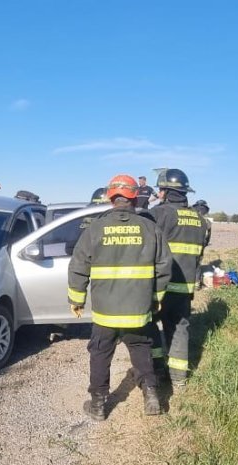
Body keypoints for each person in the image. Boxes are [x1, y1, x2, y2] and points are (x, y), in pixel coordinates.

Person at [68, 174, 172, 420]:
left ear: (111, 196)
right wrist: (156, 297)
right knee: (140, 349)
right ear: (135, 197)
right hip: (138, 310)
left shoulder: (95, 228)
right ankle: (151, 396)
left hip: (105, 312)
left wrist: (77, 299)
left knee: (101, 353)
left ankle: (98, 404)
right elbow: (164, 266)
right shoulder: (150, 228)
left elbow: (78, 265)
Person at [148, 168, 209, 386]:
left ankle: (156, 370)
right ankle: (178, 378)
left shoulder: (159, 214)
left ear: (165, 191)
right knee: (180, 329)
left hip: (160, 287)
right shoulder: (200, 220)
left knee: (150, 327)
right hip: (184, 288)